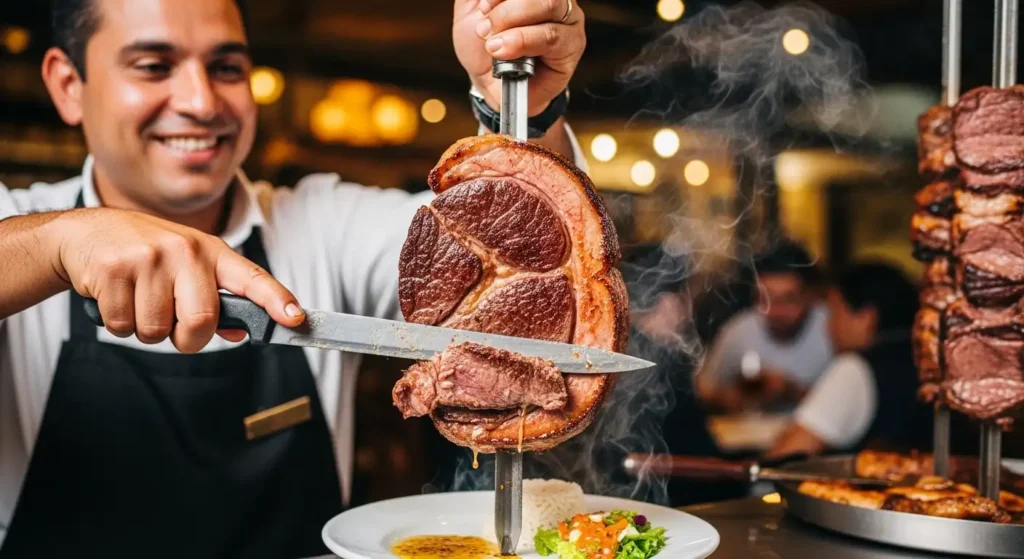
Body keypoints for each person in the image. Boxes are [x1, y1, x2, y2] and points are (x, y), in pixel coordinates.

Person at [0, 0, 588, 556]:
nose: (202, 100)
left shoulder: (322, 224)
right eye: (154, 66)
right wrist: (58, 244)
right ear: (66, 84)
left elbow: (511, 257)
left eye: (227, 67)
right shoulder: (21, 227)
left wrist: (518, 107)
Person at [766, 261, 932, 460]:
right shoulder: (930, 361)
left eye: (835, 313)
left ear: (866, 318)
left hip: (867, 489)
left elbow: (788, 454)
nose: (828, 327)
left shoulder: (854, 369)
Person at [695, 239, 833, 413]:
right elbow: (704, 390)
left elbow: (849, 403)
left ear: (810, 296)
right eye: (764, 299)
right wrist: (732, 397)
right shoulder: (739, 330)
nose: (775, 311)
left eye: (788, 299)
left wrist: (790, 390)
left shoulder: (833, 329)